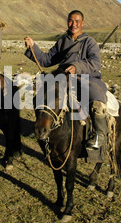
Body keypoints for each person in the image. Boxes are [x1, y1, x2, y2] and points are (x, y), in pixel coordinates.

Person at [24, 10, 108, 150]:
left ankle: (99, 135)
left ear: (82, 23)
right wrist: (33, 47)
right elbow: (47, 59)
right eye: (70, 21)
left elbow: (95, 63)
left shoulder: (89, 42)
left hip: (86, 78)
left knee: (97, 100)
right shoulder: (63, 41)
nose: (73, 24)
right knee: (42, 98)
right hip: (64, 79)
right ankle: (42, 127)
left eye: (77, 21)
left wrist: (76, 67)